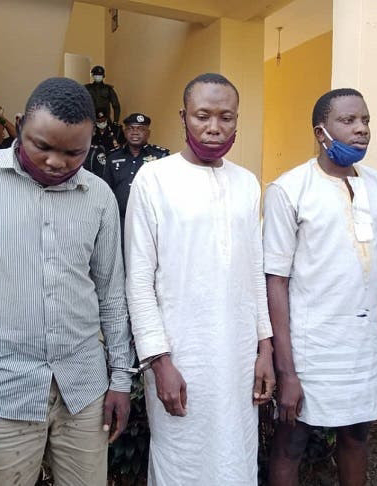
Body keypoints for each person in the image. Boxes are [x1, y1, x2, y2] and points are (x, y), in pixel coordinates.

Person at [0, 77, 135, 486]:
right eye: (42, 146)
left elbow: (111, 295)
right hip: (3, 392)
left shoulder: (100, 197)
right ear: (19, 126)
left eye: (74, 152)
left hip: (84, 391)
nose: (56, 162)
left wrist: (121, 378)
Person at [125, 73, 275, 485]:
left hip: (239, 357)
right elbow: (138, 280)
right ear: (183, 117)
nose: (214, 127)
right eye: (202, 115)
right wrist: (159, 362)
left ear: (237, 120)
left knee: (235, 458)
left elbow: (254, 271)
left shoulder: (246, 183)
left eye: (226, 117)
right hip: (182, 358)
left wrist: (264, 349)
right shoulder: (153, 180)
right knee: (181, 460)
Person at [263, 88, 377, 486]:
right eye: (348, 120)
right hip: (312, 347)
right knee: (291, 442)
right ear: (320, 132)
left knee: (357, 437)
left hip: (363, 346)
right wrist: (286, 369)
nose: (361, 129)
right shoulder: (290, 189)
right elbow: (275, 281)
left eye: (366, 120)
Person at [103, 112, 169, 231]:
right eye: (130, 128)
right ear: (124, 132)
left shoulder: (160, 158)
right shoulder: (113, 157)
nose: (135, 132)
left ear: (148, 133)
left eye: (141, 129)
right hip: (119, 221)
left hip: (150, 222)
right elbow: (106, 190)